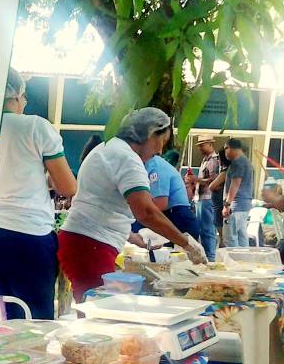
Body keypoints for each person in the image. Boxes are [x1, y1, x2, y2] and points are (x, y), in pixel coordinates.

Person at [58, 107, 207, 303]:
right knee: (98, 313)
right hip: (90, 244)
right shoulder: (127, 158)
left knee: (95, 309)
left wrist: (131, 236)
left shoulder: (109, 148)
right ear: (149, 134)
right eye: (160, 141)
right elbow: (146, 211)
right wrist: (186, 243)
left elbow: (100, 202)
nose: (160, 150)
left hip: (84, 241)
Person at [0, 69, 77, 319]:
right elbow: (68, 187)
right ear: (18, 96)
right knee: (35, 321)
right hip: (28, 237)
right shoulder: (36, 127)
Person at [132, 155, 199, 239]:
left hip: (178, 218)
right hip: (172, 215)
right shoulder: (147, 166)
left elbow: (160, 204)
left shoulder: (155, 166)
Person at [210, 138, 253, 247]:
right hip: (244, 206)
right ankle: (244, 261)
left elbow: (235, 185)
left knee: (229, 239)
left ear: (230, 148)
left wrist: (227, 205)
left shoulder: (237, 162)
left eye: (225, 149)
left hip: (235, 206)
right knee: (241, 237)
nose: (225, 153)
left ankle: (234, 262)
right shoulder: (246, 162)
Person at [195, 135, 221, 260]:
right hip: (200, 197)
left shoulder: (215, 160)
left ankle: (211, 256)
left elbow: (214, 179)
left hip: (208, 197)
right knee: (202, 229)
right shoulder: (205, 160)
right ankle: (206, 255)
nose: (200, 148)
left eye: (202, 145)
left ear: (210, 144)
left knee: (208, 228)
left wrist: (196, 179)